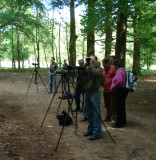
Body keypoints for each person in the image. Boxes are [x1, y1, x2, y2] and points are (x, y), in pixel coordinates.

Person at [83, 55, 103, 141]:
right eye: (89, 59)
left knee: (96, 113)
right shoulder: (88, 67)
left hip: (94, 93)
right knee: (88, 112)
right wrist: (86, 64)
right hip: (87, 92)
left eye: (92, 59)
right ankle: (90, 130)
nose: (90, 60)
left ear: (95, 60)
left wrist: (91, 65)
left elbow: (96, 73)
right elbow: (83, 74)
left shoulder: (99, 68)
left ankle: (97, 133)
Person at [111, 59, 128, 128]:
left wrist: (113, 86)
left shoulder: (119, 71)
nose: (113, 67)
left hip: (119, 90)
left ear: (116, 66)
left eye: (114, 66)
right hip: (123, 90)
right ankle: (123, 121)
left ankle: (119, 123)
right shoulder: (123, 70)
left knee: (118, 107)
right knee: (122, 106)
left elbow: (119, 81)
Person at [102, 58, 116, 125]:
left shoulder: (113, 69)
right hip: (105, 89)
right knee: (107, 104)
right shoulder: (103, 70)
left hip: (112, 89)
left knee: (112, 104)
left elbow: (116, 77)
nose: (103, 66)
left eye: (104, 64)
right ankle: (108, 116)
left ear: (107, 63)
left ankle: (114, 117)